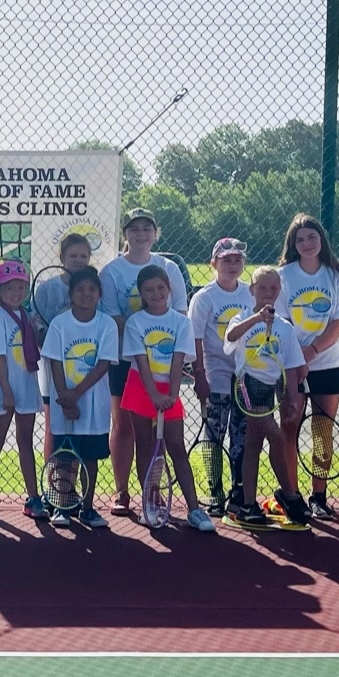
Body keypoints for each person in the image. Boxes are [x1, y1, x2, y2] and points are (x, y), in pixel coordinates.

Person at [101, 207, 191, 516]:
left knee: (158, 429)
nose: (140, 234)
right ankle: (122, 491)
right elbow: (114, 317)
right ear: (125, 233)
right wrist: (140, 338)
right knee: (123, 424)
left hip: (162, 362)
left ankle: (153, 493)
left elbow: (178, 311)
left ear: (155, 233)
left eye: (146, 228)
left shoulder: (169, 267)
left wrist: (156, 343)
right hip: (127, 359)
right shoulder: (111, 271)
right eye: (134, 228)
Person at [121, 263, 216, 532]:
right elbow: (140, 361)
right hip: (140, 388)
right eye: (149, 289)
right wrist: (152, 393)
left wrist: (171, 394)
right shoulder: (135, 322)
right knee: (145, 447)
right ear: (141, 293)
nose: (156, 293)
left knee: (176, 448)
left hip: (169, 390)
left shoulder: (180, 322)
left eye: (161, 288)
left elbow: (177, 361)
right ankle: (150, 503)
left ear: (169, 289)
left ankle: (194, 510)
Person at [277, 212, 339, 517]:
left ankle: (318, 497)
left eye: (312, 237)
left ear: (321, 240)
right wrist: (297, 358)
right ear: (293, 244)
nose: (307, 243)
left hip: (328, 363)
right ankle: (292, 495)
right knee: (289, 427)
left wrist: (313, 350)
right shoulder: (282, 276)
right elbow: (281, 323)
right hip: (291, 366)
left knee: (322, 431)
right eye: (300, 239)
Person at [224, 267, 311, 529]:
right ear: (252, 290)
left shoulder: (285, 328)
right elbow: (230, 338)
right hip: (247, 386)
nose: (268, 293)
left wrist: (293, 399)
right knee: (276, 436)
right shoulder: (241, 318)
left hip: (272, 387)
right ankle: (289, 495)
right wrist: (256, 319)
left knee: (254, 443)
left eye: (273, 289)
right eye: (262, 288)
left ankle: (249, 503)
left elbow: (293, 364)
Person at [41, 265, 117, 531]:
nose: (86, 294)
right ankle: (62, 505)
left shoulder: (106, 324)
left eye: (92, 290)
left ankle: (87, 507)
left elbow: (103, 365)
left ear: (99, 294)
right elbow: (55, 361)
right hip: (65, 404)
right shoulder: (60, 324)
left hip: (93, 406)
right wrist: (65, 396)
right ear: (71, 294)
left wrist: (75, 394)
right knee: (64, 457)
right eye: (80, 290)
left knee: (89, 458)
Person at [188, 237, 254, 518]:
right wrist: (199, 376)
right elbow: (196, 339)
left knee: (240, 436)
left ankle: (237, 492)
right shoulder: (205, 297)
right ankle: (214, 493)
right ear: (213, 263)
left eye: (237, 259)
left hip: (243, 375)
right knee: (214, 435)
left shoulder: (249, 294)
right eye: (226, 259)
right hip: (215, 373)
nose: (232, 264)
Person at [0, 259, 45, 520]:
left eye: (20, 287)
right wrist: (6, 390)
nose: (15, 293)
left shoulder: (26, 314)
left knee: (25, 441)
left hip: (27, 385)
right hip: (6, 388)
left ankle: (33, 498)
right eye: (9, 288)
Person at [29, 229, 94, 329]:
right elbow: (36, 324)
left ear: (89, 258)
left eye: (83, 256)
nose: (79, 260)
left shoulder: (94, 290)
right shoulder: (45, 289)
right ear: (62, 258)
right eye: (73, 256)